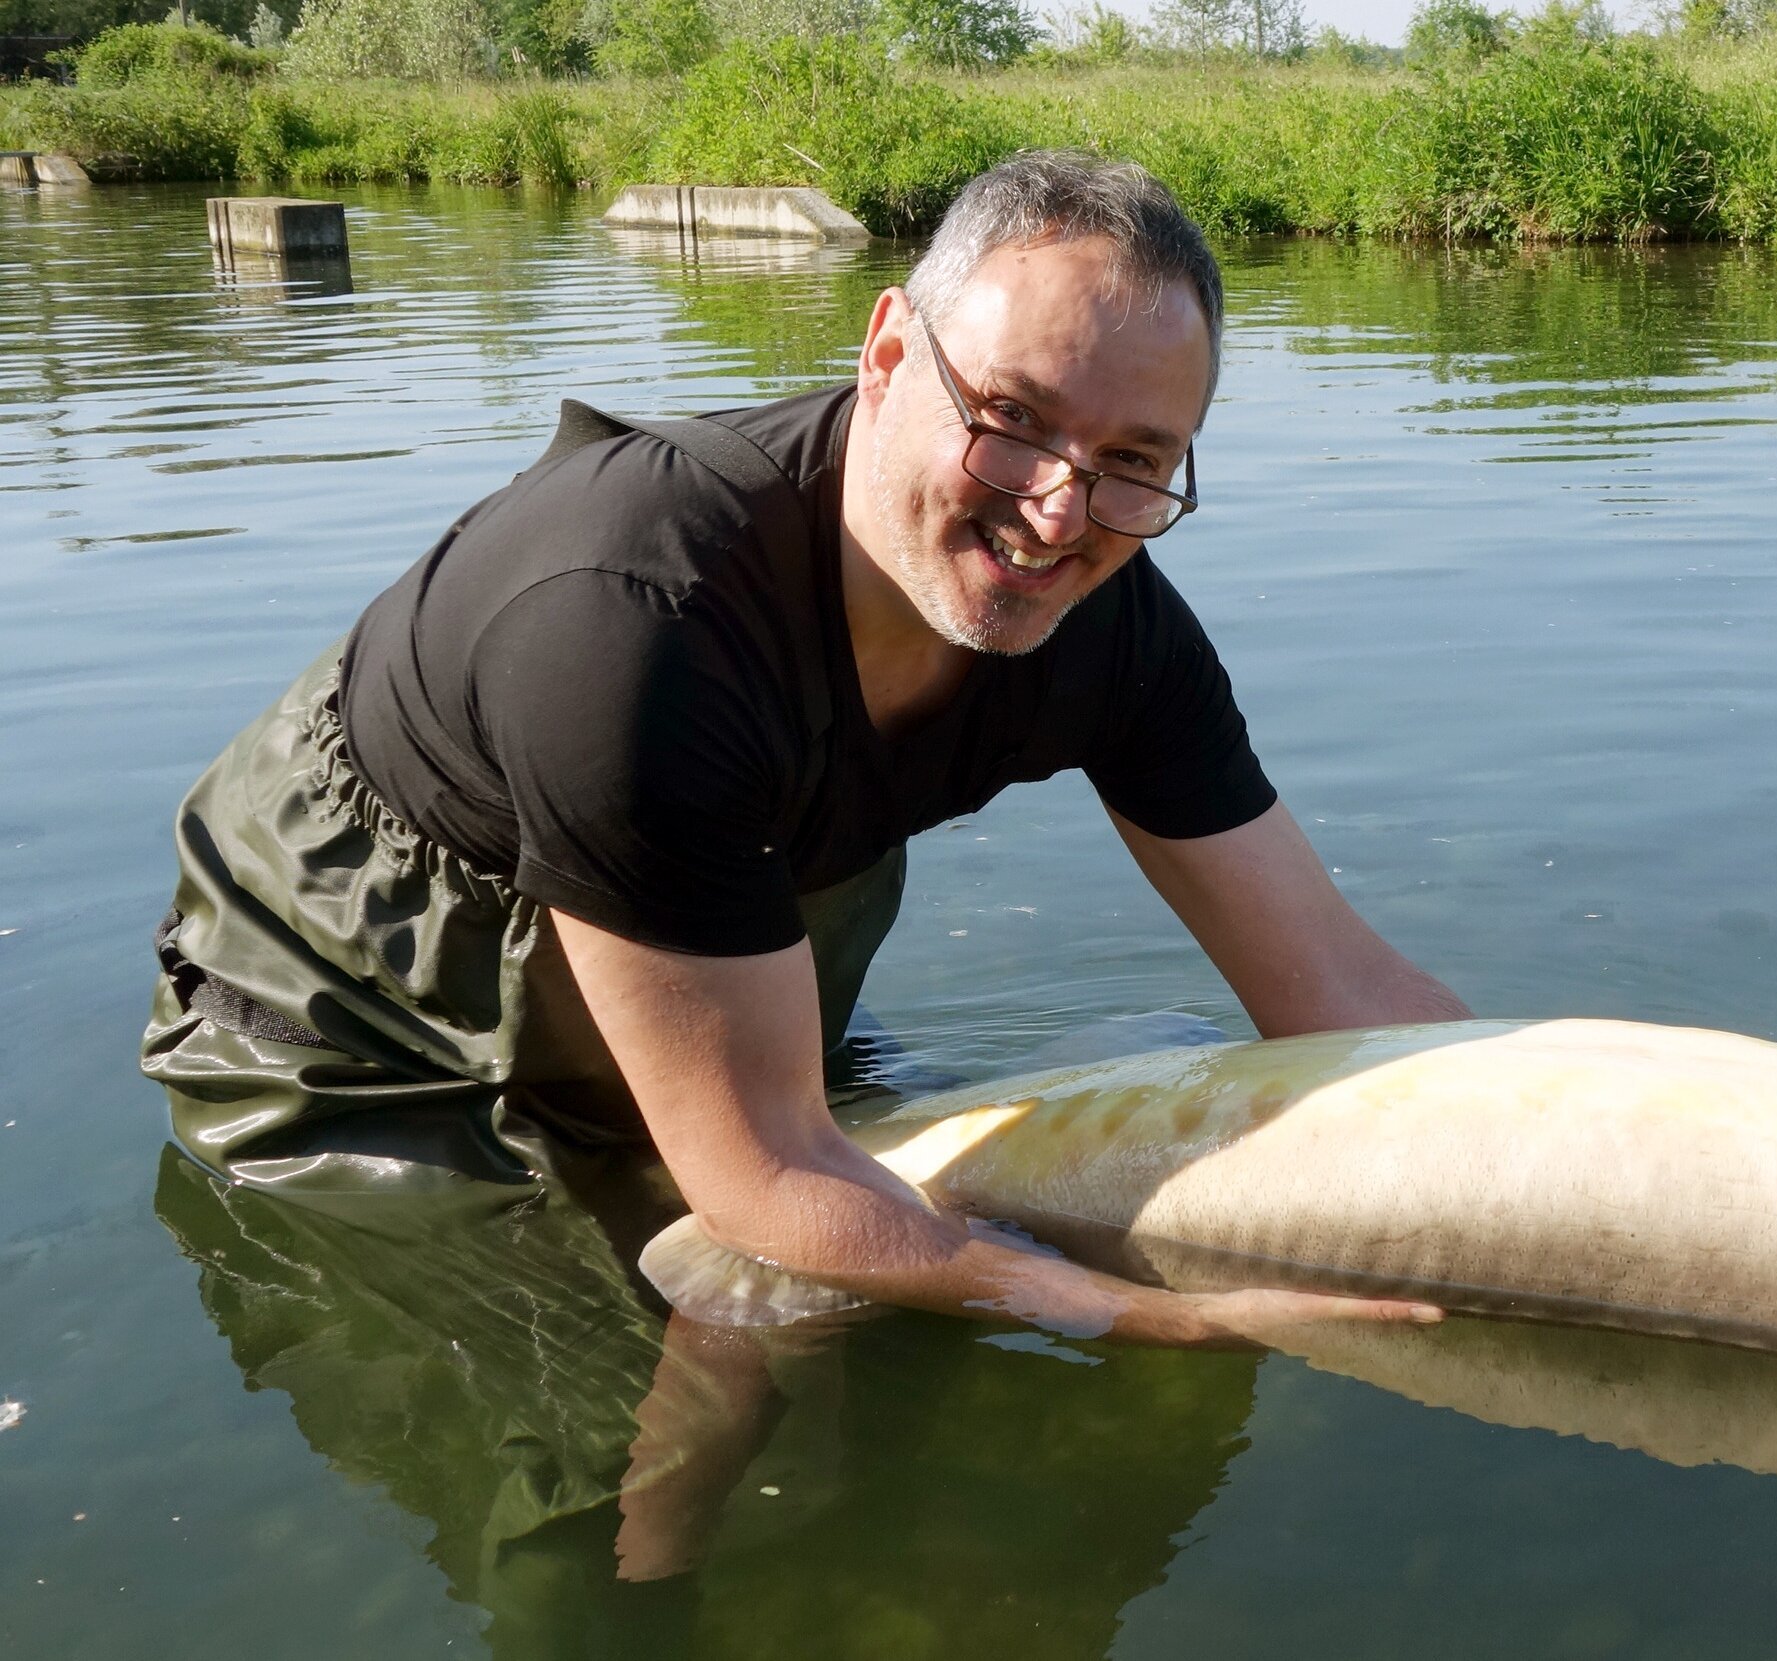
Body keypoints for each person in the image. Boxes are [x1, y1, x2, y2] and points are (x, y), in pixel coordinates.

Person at [142, 151, 1468, 1351]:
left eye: (1134, 459)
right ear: (886, 352)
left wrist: (1580, 1114)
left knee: (983, 1243)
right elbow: (768, 1176)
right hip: (366, 1044)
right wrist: (1160, 1320)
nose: (1060, 514)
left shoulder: (1114, 628)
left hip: (709, 968)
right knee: (656, 1406)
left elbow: (1338, 986)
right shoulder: (633, 629)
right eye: (1011, 419)